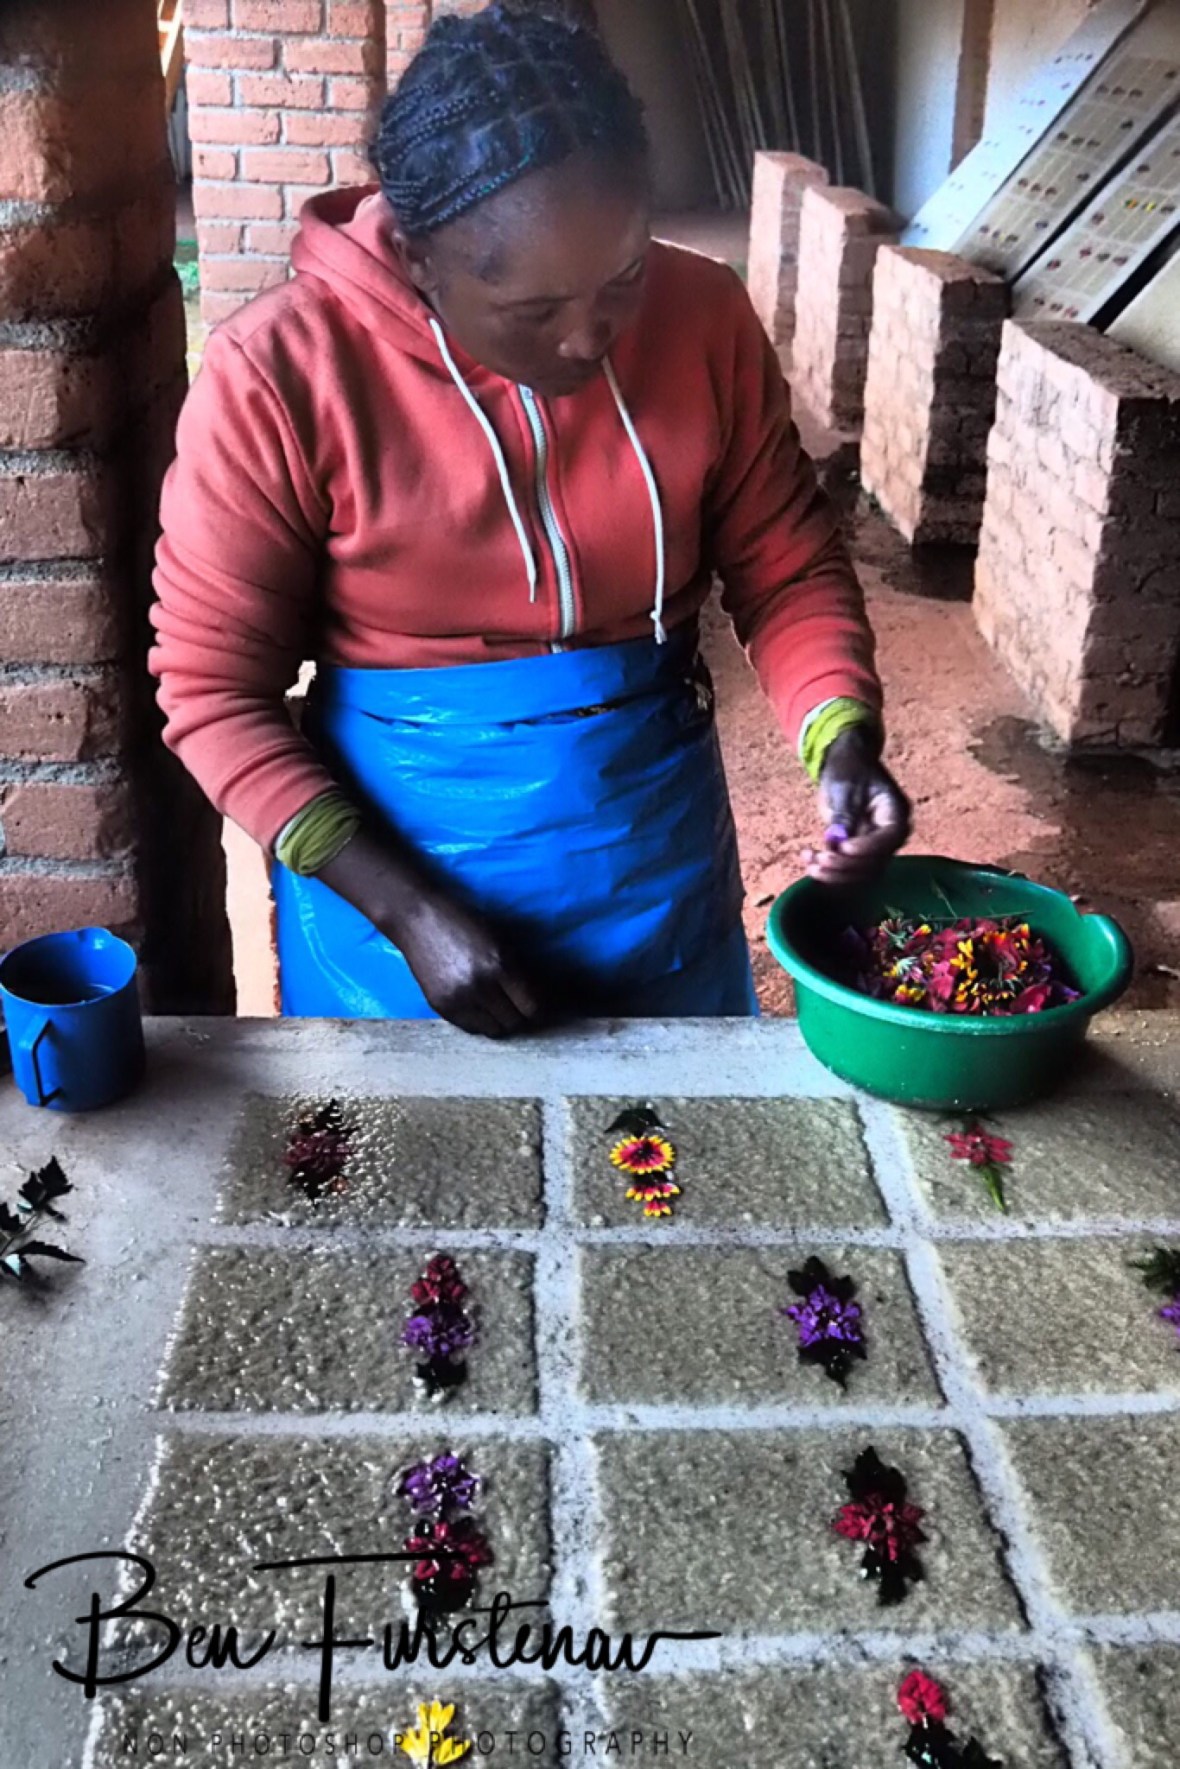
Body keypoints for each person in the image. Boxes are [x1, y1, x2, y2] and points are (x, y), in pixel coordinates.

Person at [149, 0, 910, 1038]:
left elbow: (786, 568)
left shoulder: (703, 323)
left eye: (624, 276)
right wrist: (407, 911)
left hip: (651, 853)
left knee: (661, 1164)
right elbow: (210, 691)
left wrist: (841, 737)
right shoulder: (280, 378)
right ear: (419, 258)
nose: (592, 338)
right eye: (534, 313)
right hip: (391, 881)